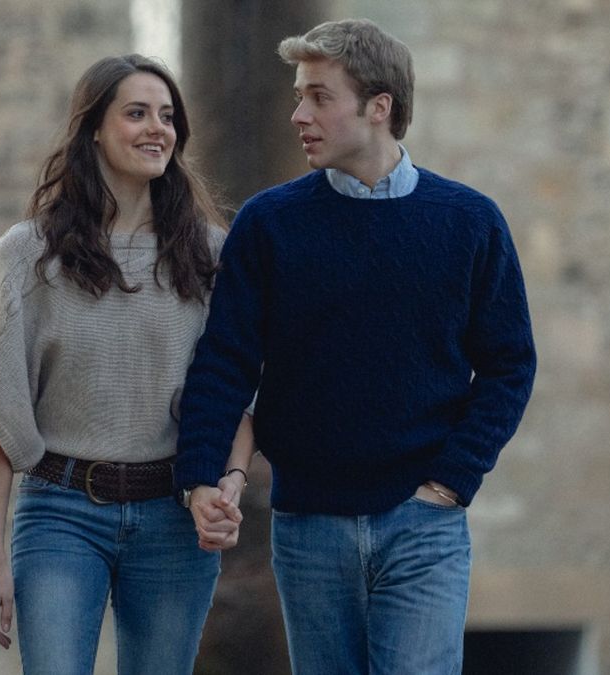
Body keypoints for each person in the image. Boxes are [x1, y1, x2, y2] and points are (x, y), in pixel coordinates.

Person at [174, 19, 536, 674]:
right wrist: (202, 473)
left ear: (379, 108)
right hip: (308, 528)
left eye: (318, 96)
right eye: (297, 95)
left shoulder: (469, 222)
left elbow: (511, 364)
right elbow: (225, 361)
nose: (297, 115)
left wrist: (453, 480)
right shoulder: (269, 223)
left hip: (423, 527)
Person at [0, 54, 252, 675]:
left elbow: (238, 398)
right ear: (93, 130)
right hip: (59, 514)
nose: (155, 129)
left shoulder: (212, 255)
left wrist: (230, 484)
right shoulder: (29, 254)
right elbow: (0, 415)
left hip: (173, 518)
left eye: (167, 117)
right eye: (136, 113)